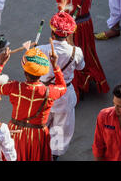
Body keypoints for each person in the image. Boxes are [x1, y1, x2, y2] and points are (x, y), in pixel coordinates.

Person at [0, 46, 67, 161]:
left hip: (15, 133)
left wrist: (1, 63)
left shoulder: (14, 87)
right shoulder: (50, 92)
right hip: (38, 136)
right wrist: (55, 66)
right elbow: (63, 87)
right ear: (41, 73)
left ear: (25, 72)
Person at [37, 11, 84, 160]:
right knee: (61, 126)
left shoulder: (41, 49)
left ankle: (38, 148)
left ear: (52, 31)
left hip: (43, 92)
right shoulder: (76, 52)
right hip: (64, 94)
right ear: (69, 33)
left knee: (40, 122)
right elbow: (80, 67)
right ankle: (54, 154)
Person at [92, 82, 121, 161]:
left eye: (120, 106)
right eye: (114, 104)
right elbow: (98, 144)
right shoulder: (104, 116)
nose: (115, 109)